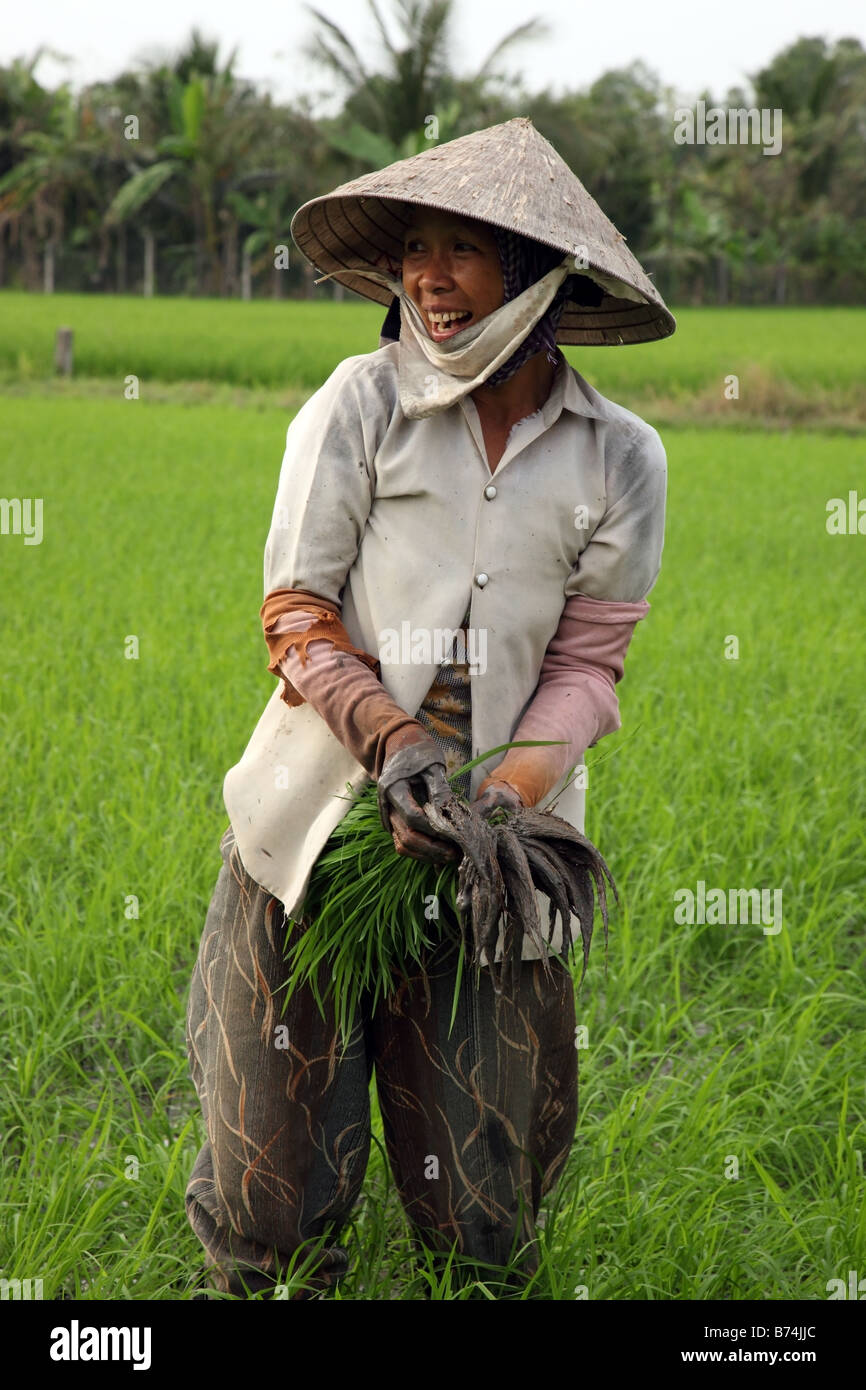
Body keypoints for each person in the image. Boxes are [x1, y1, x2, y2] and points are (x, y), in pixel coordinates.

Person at [184, 117, 675, 1299]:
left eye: (463, 250)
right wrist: (396, 746)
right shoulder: (358, 406)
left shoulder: (619, 457)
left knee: (481, 1179)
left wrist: (496, 807)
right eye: (415, 248)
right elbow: (295, 612)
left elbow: (587, 666)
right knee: (272, 1163)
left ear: (536, 277)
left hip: (498, 851)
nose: (428, 278)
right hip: (321, 829)